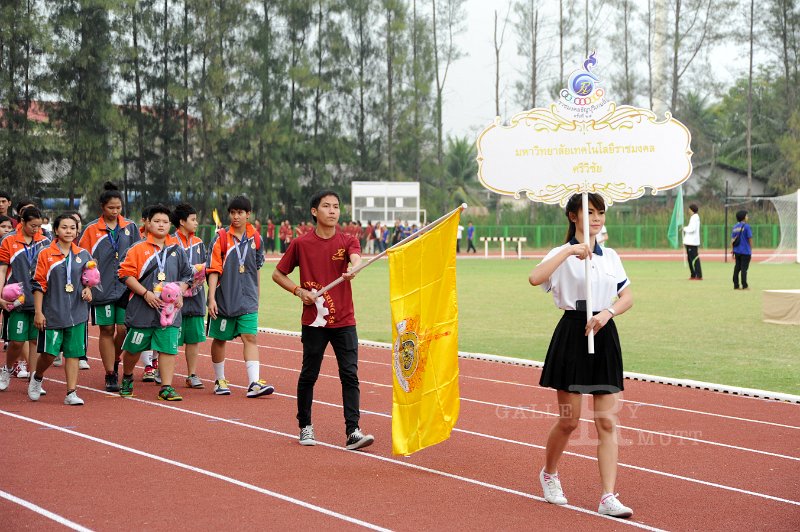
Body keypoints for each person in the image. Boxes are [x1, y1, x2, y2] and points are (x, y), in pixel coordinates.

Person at [528, 193, 634, 518]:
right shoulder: (560, 254)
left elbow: (627, 295)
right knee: (569, 421)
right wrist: (569, 252)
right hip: (573, 332)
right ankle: (549, 474)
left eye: (600, 212)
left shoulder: (610, 255)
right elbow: (535, 278)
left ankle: (608, 496)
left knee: (606, 422)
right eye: (589, 212)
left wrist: (608, 313)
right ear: (573, 216)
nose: (597, 218)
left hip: (602, 331)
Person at [272, 189, 374, 451]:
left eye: (336, 206)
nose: (332, 211)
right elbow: (277, 274)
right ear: (314, 212)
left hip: (345, 320)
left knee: (350, 375)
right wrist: (299, 291)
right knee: (309, 374)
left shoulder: (348, 240)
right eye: (326, 206)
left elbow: (356, 257)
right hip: (314, 322)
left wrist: (353, 268)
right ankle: (305, 426)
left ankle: (353, 431)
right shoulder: (301, 244)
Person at [117, 204, 192, 401]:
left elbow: (187, 275)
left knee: (168, 348)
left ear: (170, 225)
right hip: (142, 308)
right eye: (157, 221)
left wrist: (180, 292)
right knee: (133, 348)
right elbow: (125, 274)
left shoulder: (177, 249)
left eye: (165, 222)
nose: (161, 225)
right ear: (147, 223)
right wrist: (145, 294)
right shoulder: (137, 248)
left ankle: (166, 387)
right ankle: (127, 377)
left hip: (169, 311)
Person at [206, 195, 274, 398]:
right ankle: (219, 380)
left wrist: (258, 294)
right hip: (225, 299)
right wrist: (211, 298)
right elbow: (213, 270)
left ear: (248, 214)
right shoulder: (220, 239)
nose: (236, 216)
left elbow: (257, 267)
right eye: (233, 213)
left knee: (250, 337)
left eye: (240, 213)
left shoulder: (256, 238)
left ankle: (254, 383)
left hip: (248, 299)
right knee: (220, 339)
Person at [79, 182, 140, 392]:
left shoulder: (130, 227)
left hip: (126, 288)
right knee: (106, 329)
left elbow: (140, 253)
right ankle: (110, 373)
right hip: (101, 288)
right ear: (102, 208)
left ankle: (115, 360)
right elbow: (82, 258)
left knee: (123, 329)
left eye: (118, 208)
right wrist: (87, 284)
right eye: (111, 208)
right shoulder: (91, 229)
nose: (115, 211)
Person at [29, 214, 93, 405]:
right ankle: (38, 376)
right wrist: (38, 312)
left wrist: (88, 289)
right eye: (64, 227)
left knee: (73, 353)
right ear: (56, 230)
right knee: (49, 354)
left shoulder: (84, 255)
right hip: (53, 312)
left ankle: (71, 392)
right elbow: (39, 284)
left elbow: (89, 279)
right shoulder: (45, 254)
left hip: (78, 312)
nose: (68, 231)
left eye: (72, 228)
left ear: (77, 230)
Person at [0, 207, 50, 393]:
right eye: (32, 226)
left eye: (39, 226)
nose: (36, 229)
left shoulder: (45, 241)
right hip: (18, 300)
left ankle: (34, 378)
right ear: (22, 222)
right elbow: (3, 270)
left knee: (36, 342)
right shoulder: (9, 241)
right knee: (17, 342)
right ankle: (7, 368)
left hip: (39, 300)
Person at [171, 202, 207, 388]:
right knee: (169, 336)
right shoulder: (170, 243)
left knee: (193, 337)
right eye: (193, 219)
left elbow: (204, 266)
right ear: (182, 222)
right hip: (175, 298)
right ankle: (163, 372)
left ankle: (192, 374)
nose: (196, 223)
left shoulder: (199, 243)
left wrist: (200, 274)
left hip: (196, 297)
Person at [731, 210, 753, 290]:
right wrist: (750, 249)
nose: (747, 217)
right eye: (746, 216)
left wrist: (733, 250)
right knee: (744, 269)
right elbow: (749, 238)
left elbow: (732, 240)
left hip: (737, 251)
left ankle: (736, 285)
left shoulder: (735, 227)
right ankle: (745, 285)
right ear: (743, 217)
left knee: (737, 268)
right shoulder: (746, 226)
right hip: (745, 251)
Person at [682, 203, 702, 280]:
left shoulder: (695, 217)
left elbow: (692, 229)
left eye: (689, 209)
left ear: (692, 210)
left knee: (694, 259)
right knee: (690, 259)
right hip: (689, 242)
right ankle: (693, 274)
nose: (688, 211)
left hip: (692, 242)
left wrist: (684, 229)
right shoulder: (693, 217)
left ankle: (699, 275)